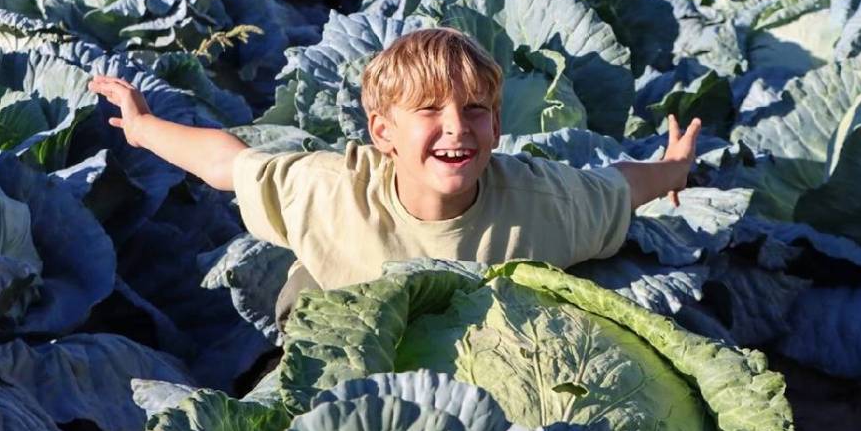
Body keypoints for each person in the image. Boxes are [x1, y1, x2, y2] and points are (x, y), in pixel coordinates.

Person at [89, 27, 701, 325]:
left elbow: (617, 186)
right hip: (346, 337)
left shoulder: (545, 202)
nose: (457, 128)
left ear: (497, 128)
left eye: (476, 111)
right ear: (382, 133)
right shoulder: (329, 192)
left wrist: (671, 168)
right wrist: (143, 128)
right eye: (430, 112)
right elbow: (227, 164)